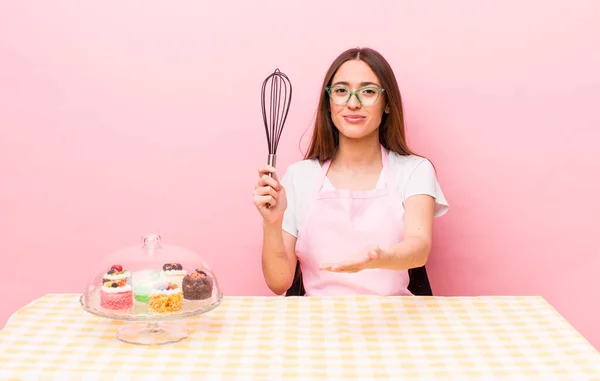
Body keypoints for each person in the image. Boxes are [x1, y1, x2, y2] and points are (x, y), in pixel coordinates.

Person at [253, 47, 449, 296]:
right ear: (329, 103)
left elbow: (419, 249)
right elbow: (279, 282)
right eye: (341, 91)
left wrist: (379, 257)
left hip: (393, 324)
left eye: (368, 92)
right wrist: (271, 224)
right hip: (318, 325)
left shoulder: (414, 170)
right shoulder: (299, 177)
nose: (353, 103)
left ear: (387, 103)